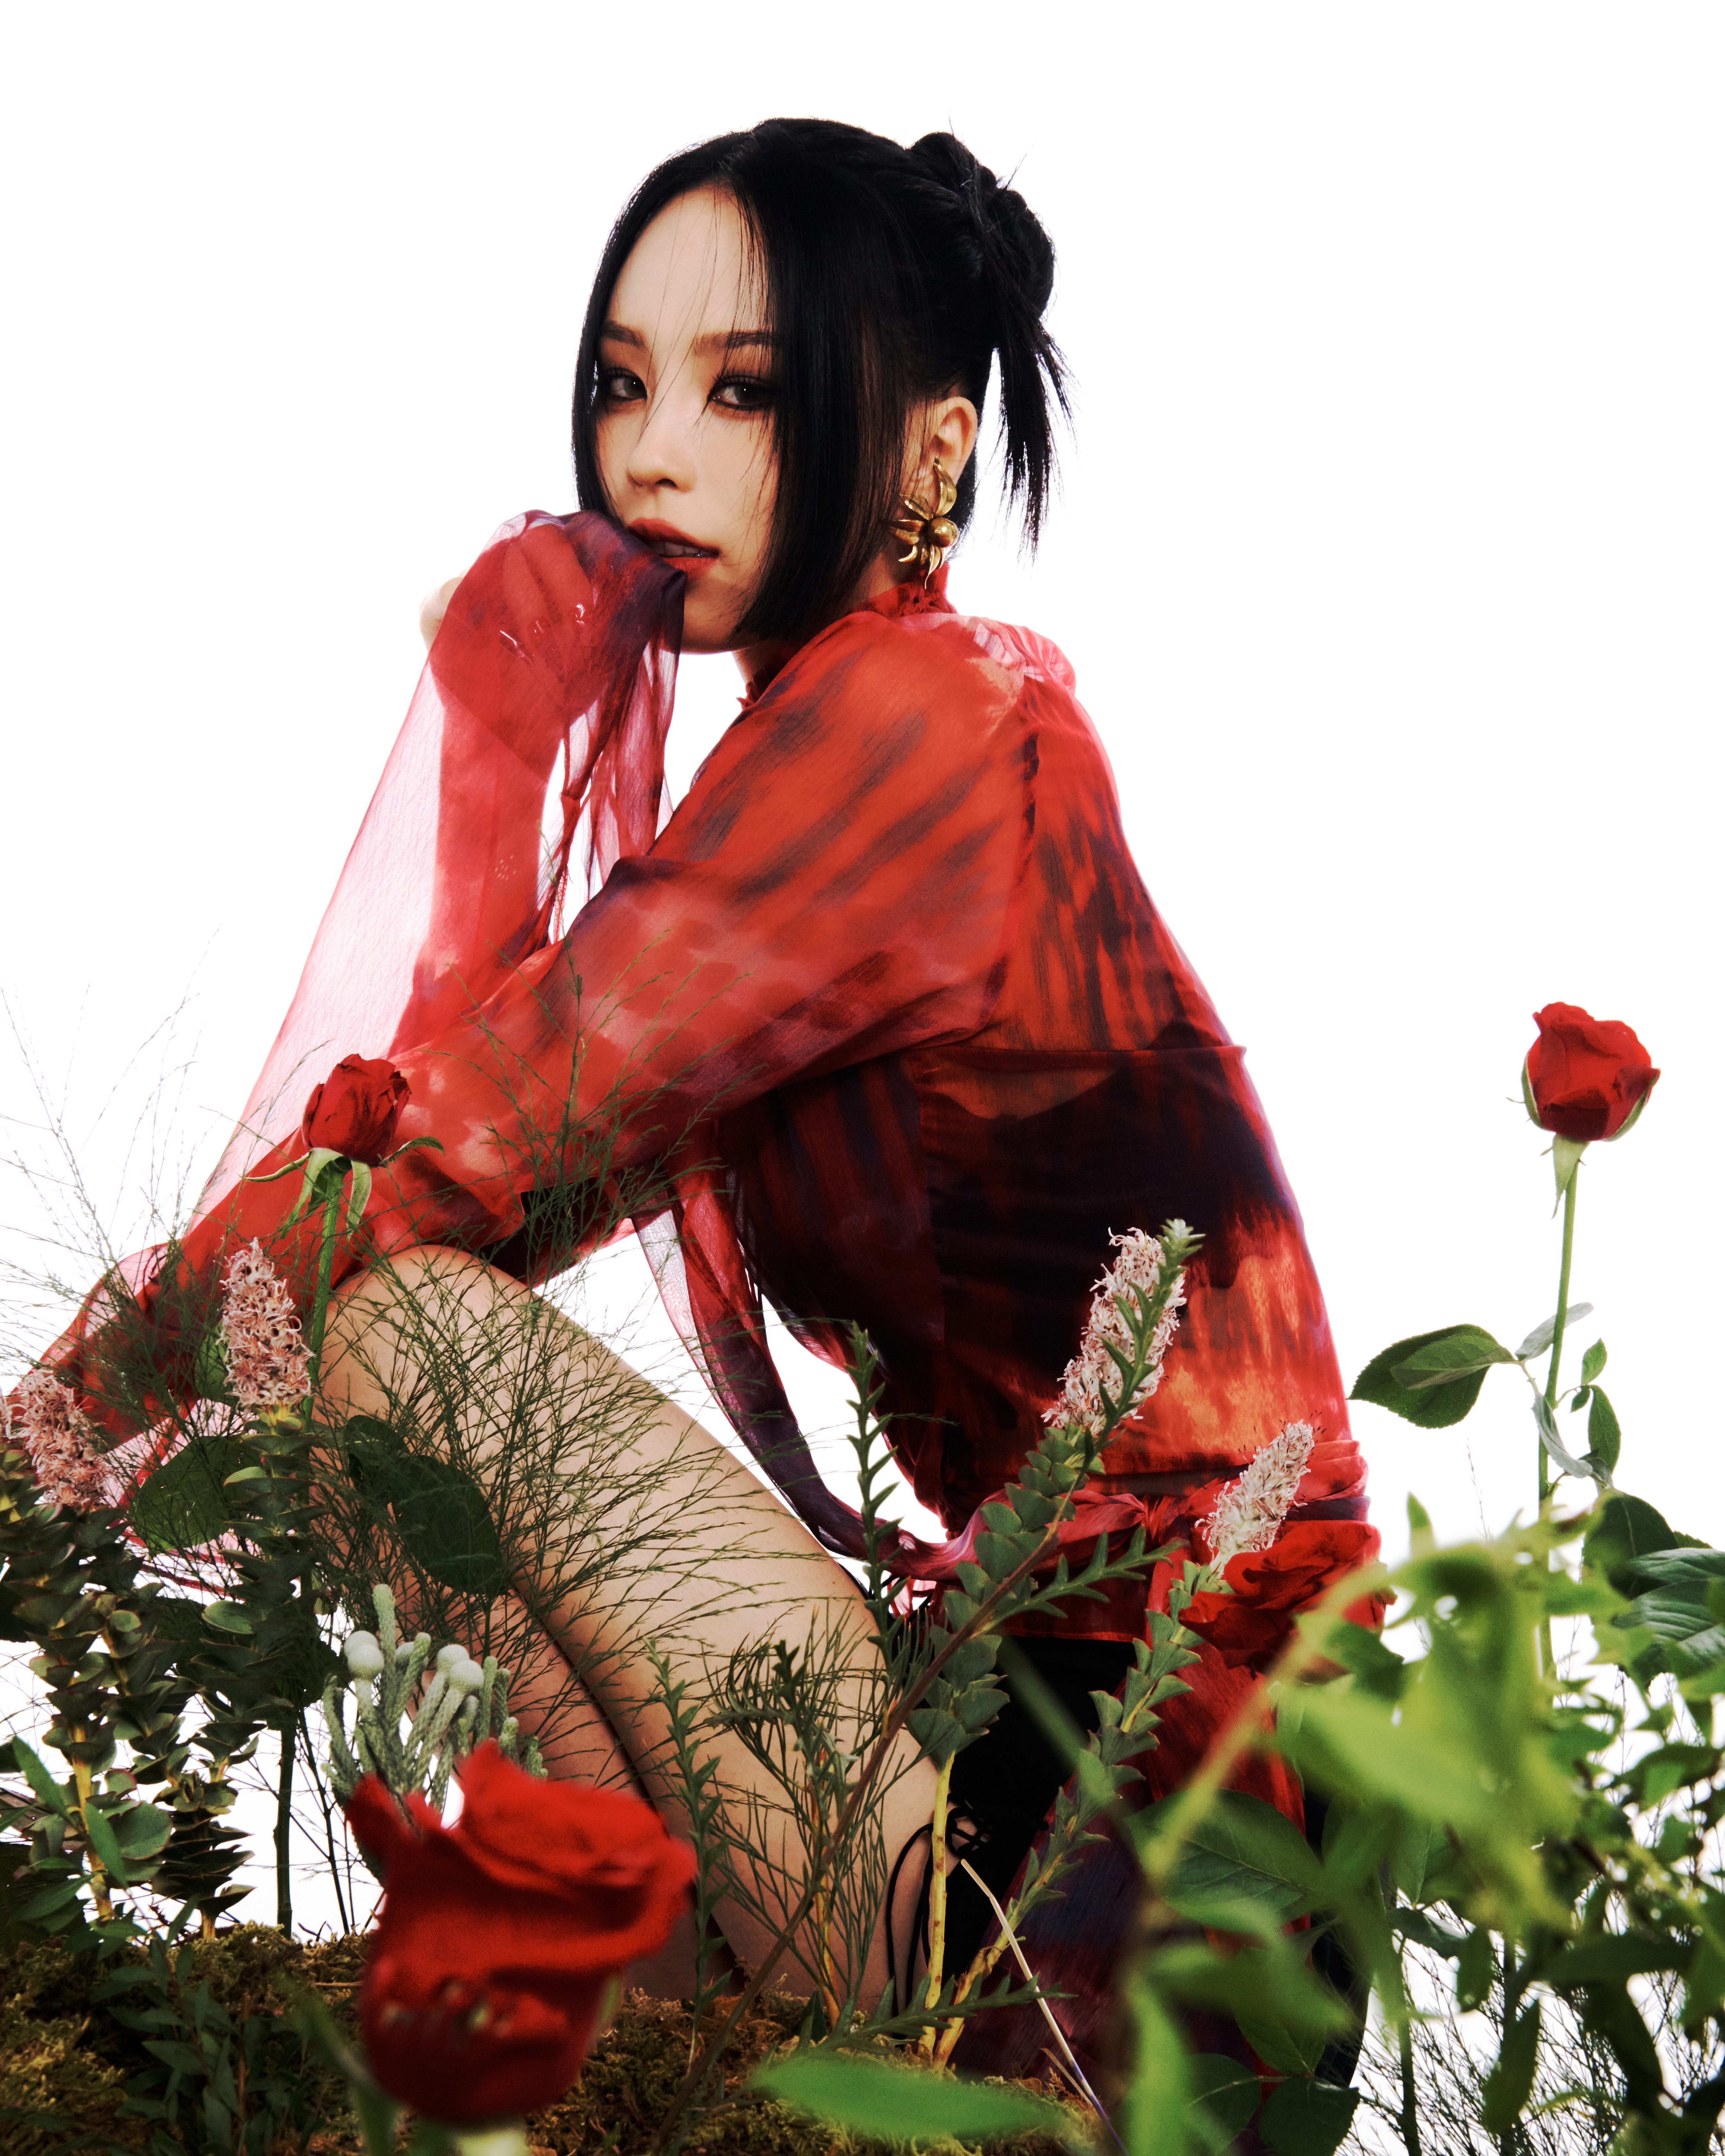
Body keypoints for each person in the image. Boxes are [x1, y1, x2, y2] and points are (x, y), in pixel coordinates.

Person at [31, 119, 1376, 2076]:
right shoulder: (817, 754)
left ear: (930, 448)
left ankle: (685, 2041)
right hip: (999, 1745)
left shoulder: (930, 725)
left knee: (387, 1333)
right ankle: (647, 2066)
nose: (647, 457)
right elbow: (472, 1146)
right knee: (360, 1363)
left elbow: (435, 1176)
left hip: (1153, 1837)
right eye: (621, 384)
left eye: (743, 391)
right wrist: (503, 749)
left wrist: (44, 1445)